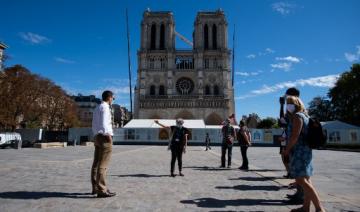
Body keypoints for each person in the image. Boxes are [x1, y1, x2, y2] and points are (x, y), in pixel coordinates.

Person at [283, 95, 325, 212]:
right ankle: (306, 207)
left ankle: (319, 208)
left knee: (300, 180)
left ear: (296, 104)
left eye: (289, 103)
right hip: (305, 151)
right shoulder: (305, 116)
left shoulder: (297, 117)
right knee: (306, 180)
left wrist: (287, 149)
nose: (288, 106)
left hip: (299, 152)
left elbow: (294, 136)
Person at [91, 90, 116, 198]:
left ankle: (95, 187)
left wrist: (96, 135)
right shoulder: (105, 107)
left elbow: (94, 124)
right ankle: (102, 189)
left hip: (97, 136)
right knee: (103, 164)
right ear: (109, 97)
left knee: (96, 164)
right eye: (113, 98)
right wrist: (108, 136)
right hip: (104, 137)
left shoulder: (97, 107)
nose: (113, 100)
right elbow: (104, 124)